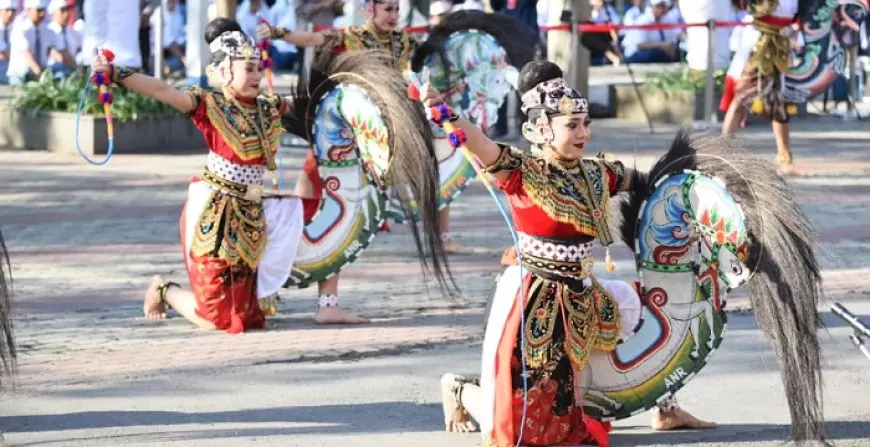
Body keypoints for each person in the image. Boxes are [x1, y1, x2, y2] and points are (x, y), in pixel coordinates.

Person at [420, 60, 717, 446]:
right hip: (534, 305)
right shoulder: (522, 172)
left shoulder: (598, 173)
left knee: (644, 320)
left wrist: (698, 189)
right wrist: (445, 112)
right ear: (543, 128)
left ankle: (666, 407)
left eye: (585, 123)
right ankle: (459, 389)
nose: (583, 133)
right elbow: (479, 142)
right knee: (514, 427)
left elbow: (649, 182)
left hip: (582, 293)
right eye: (572, 125)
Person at [92, 18, 319, 333]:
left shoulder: (269, 107)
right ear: (226, 71)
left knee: (250, 318)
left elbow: (307, 104)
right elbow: (163, 90)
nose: (255, 75)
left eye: (257, 68)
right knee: (216, 320)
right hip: (217, 220)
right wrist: (116, 74)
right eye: (247, 69)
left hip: (252, 219)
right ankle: (164, 289)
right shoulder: (210, 105)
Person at [256, 0, 471, 324]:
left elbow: (417, 76)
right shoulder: (351, 36)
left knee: (347, 213)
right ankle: (279, 284)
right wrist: (278, 32)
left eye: (397, 9)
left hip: (380, 134)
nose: (393, 16)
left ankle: (327, 302)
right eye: (387, 9)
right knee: (314, 206)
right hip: (342, 132)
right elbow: (312, 40)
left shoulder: (404, 41)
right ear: (369, 9)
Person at [722, 0, 805, 174]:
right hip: (758, 42)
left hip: (782, 44)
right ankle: (722, 154)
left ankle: (785, 159)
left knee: (781, 101)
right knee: (742, 96)